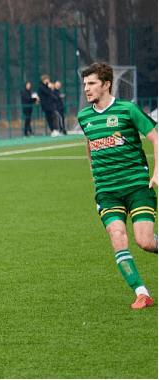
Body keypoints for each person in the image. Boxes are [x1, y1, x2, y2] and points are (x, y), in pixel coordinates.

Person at [78, 61, 159, 309]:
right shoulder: (84, 117)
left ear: (106, 84)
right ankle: (141, 293)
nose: (87, 89)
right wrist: (94, 174)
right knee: (117, 237)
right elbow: (90, 145)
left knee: (144, 241)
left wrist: (157, 171)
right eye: (85, 84)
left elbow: (155, 137)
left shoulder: (127, 110)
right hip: (108, 193)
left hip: (137, 187)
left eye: (92, 83)